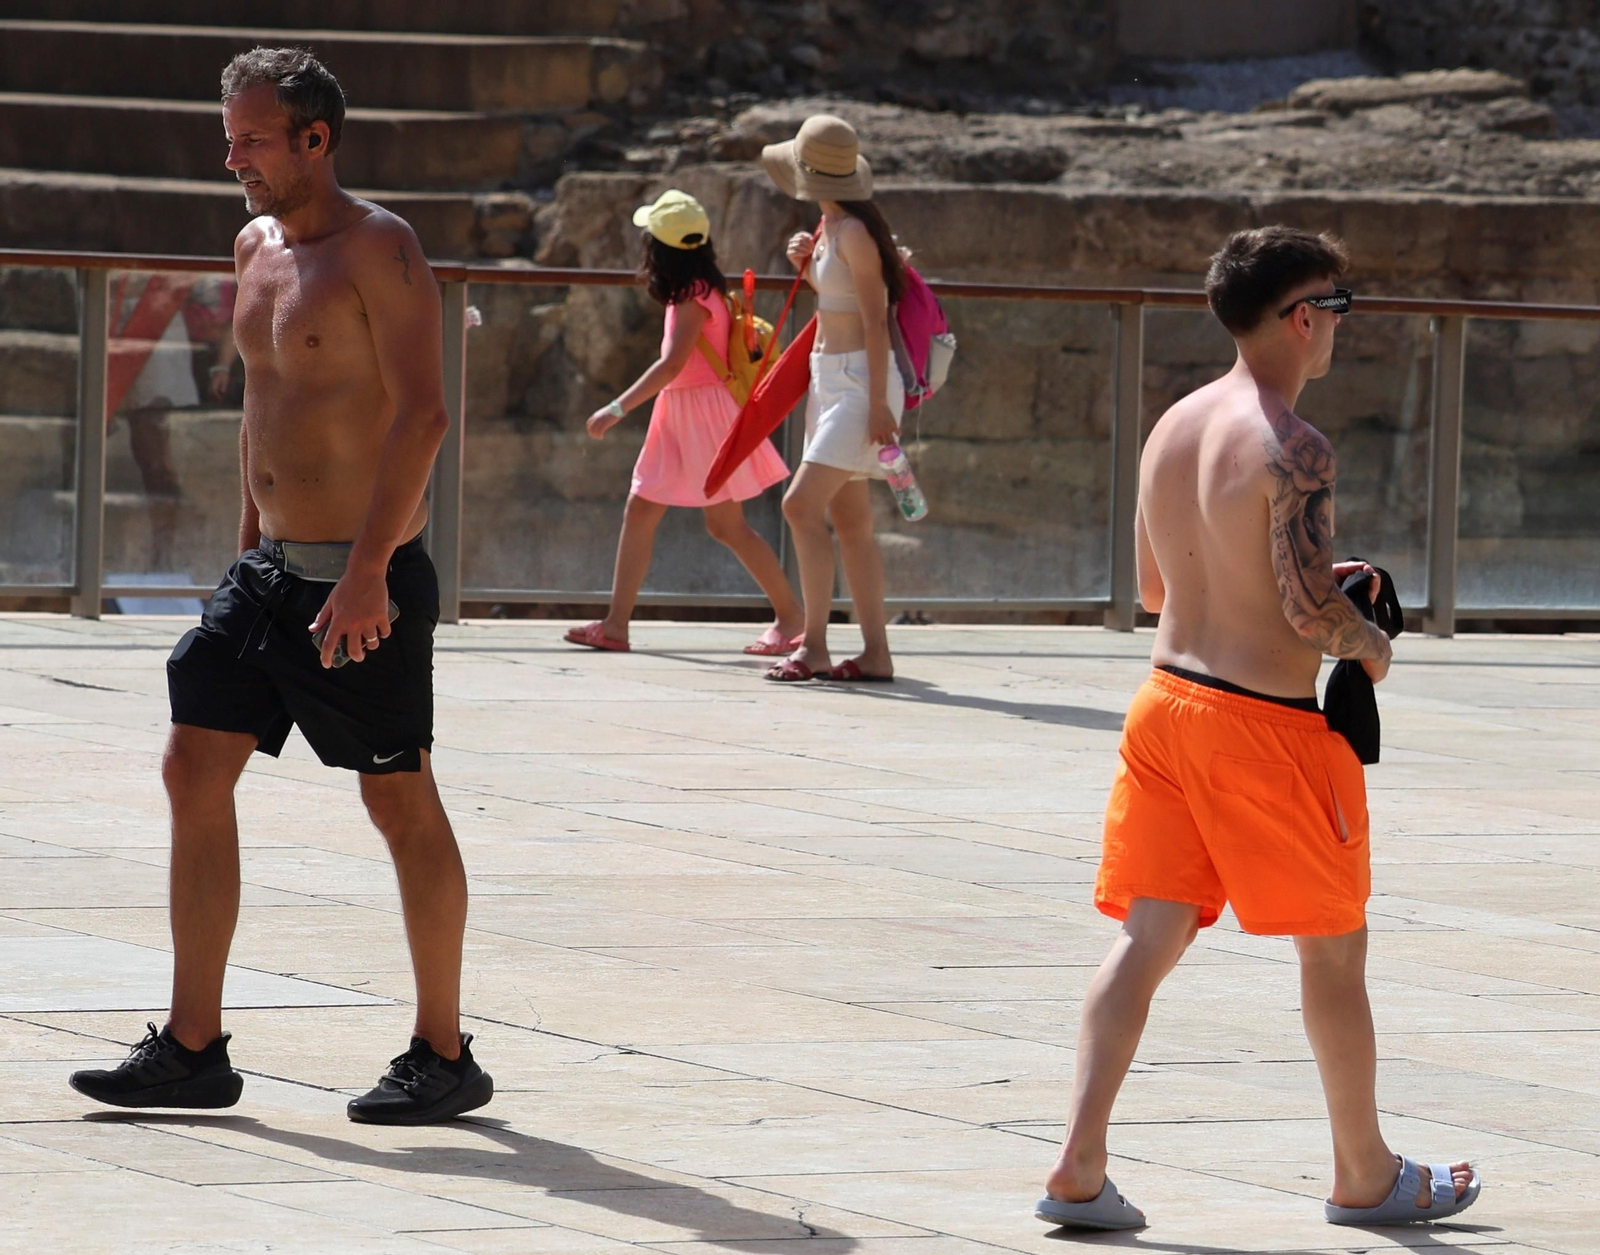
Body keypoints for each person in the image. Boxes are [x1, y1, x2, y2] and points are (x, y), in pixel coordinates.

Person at [68, 48, 491, 1125]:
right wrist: (252, 544)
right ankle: (193, 1046)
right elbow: (267, 404)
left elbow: (421, 416)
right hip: (266, 577)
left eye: (253, 138)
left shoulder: (380, 248)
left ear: (316, 139)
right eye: (230, 136)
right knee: (191, 761)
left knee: (397, 798)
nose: (232, 157)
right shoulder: (253, 244)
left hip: (367, 577)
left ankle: (443, 1051)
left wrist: (365, 571)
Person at [1036, 227, 1479, 1231]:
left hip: (1164, 707)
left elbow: (1157, 589)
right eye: (1338, 304)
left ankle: (1077, 1160)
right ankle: (1363, 1173)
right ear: (1299, 316)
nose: (1338, 325)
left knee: (1145, 936)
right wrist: (1367, 641)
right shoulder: (1293, 444)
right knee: (1333, 950)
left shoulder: (1174, 426)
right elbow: (1302, 613)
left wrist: (1307, 582)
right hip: (1260, 726)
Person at [564, 189, 802, 656]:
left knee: (718, 525)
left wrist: (616, 408)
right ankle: (615, 625)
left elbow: (672, 365)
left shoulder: (690, 296)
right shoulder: (705, 288)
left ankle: (791, 618)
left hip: (697, 414)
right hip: (691, 413)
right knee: (661, 513)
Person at [759, 115, 904, 683]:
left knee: (799, 506)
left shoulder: (855, 235)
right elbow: (842, 301)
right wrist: (808, 267)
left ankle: (813, 644)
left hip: (858, 383)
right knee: (851, 521)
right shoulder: (832, 229)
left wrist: (877, 404)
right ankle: (876, 653)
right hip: (832, 378)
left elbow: (875, 319)